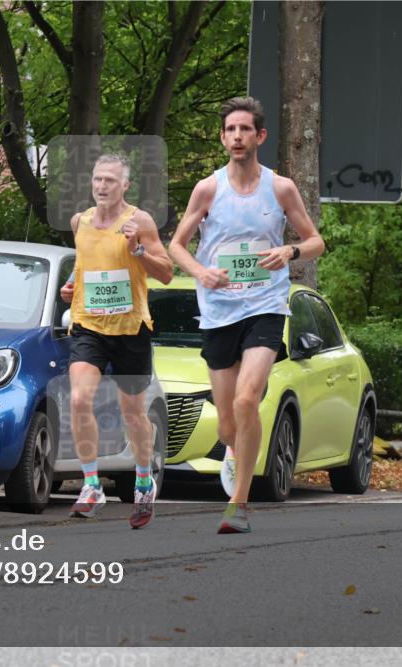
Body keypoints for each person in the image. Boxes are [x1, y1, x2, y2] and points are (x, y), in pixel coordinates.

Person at [168, 97, 325, 534]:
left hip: (265, 306)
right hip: (219, 311)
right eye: (230, 130)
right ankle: (235, 450)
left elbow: (316, 241)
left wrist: (289, 250)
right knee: (227, 425)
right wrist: (202, 272)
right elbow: (176, 245)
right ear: (222, 138)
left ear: (260, 136)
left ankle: (238, 505)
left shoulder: (280, 188)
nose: (237, 136)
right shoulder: (207, 189)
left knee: (246, 399)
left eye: (245, 129)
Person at [59, 153, 173, 529]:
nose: (102, 186)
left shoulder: (140, 221)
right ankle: (92, 485)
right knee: (79, 399)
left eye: (110, 180)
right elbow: (85, 265)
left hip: (130, 328)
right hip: (89, 325)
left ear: (125, 185)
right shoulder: (80, 222)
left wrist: (138, 248)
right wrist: (70, 287)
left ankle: (143, 480)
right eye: (97, 179)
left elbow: (166, 273)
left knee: (133, 414)